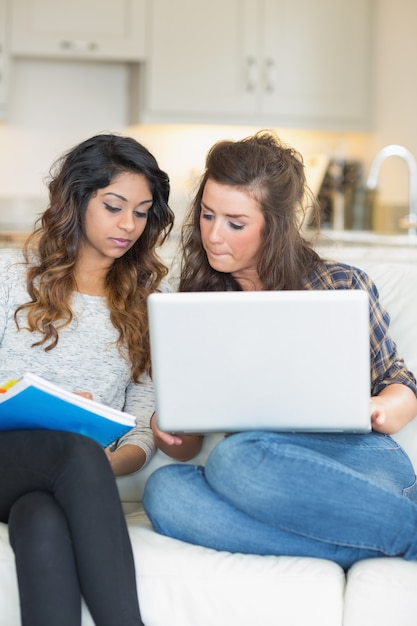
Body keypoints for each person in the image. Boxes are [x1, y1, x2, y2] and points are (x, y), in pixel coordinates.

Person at [143, 130, 417, 571]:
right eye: (207, 216)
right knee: (165, 492)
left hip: (359, 468)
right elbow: (187, 443)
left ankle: (400, 526)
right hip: (269, 481)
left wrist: (384, 407)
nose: (214, 235)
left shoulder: (339, 284)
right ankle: (387, 539)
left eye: (235, 223)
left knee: (234, 458)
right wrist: (168, 428)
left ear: (275, 225)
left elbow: (401, 383)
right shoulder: (197, 305)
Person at [0, 133, 174, 625]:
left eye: (141, 213)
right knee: (71, 451)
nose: (128, 225)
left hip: (63, 479)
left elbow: (142, 422)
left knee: (42, 522)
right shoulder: (10, 277)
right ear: (76, 199)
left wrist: (110, 462)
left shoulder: (145, 304)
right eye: (114, 206)